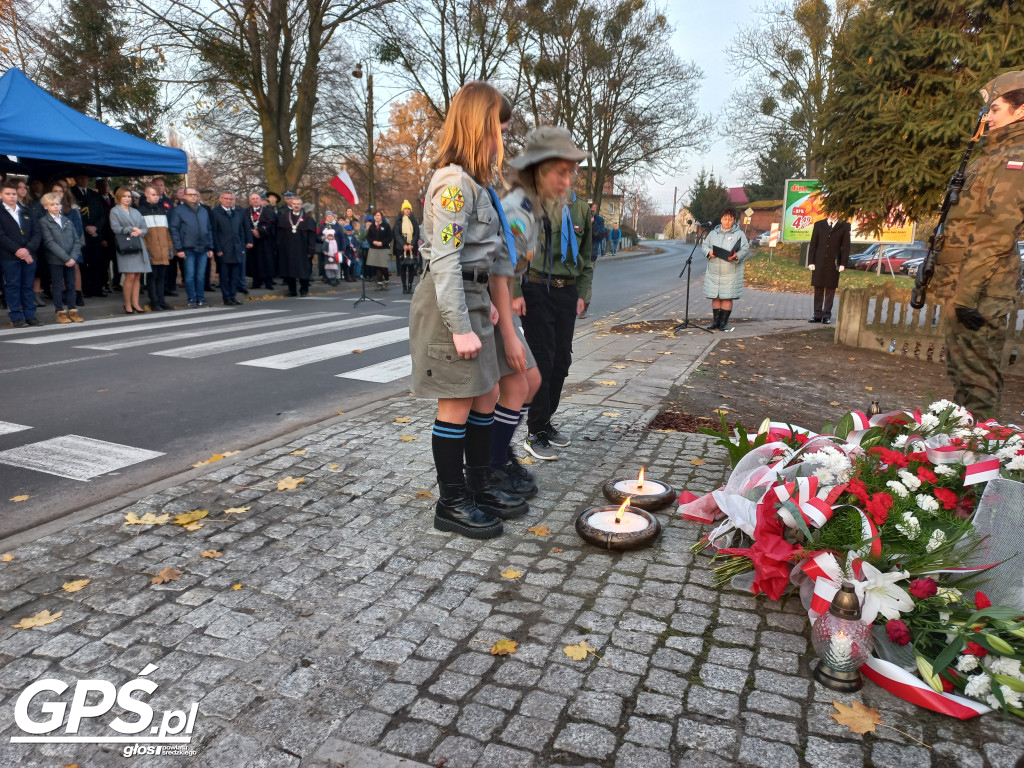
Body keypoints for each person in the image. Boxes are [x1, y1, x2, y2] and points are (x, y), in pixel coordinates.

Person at [410, 81, 529, 540]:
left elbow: (482, 253)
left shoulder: (475, 183)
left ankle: (478, 484)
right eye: (499, 129)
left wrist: (485, 307)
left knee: (483, 395)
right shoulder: (454, 184)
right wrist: (461, 326)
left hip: (472, 297)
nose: (502, 140)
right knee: (457, 403)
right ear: (482, 126)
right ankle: (452, 502)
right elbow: (443, 259)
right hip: (449, 303)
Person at [491, 128, 586, 493]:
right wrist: (509, 332)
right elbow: (498, 273)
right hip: (475, 303)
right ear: (535, 171)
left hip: (489, 301)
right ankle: (487, 468)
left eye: (570, 172)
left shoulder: (536, 206)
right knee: (506, 386)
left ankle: (496, 460)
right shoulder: (520, 209)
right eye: (558, 172)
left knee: (523, 382)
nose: (567, 181)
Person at [931, 70, 1024, 417]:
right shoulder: (989, 158)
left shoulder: (1016, 160)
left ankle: (981, 462)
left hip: (980, 291)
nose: (988, 117)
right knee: (963, 377)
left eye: (996, 108)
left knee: (978, 384)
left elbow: (994, 233)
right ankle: (963, 452)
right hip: (964, 286)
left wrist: (967, 296)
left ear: (1021, 110)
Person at [517, 141, 593, 461]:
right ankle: (534, 430)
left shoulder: (582, 209)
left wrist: (584, 292)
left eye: (569, 170)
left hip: (567, 291)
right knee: (543, 361)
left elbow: (587, 255)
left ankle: (546, 421)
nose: (565, 176)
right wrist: (514, 292)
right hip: (535, 289)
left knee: (562, 361)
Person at [0, 180, 42, 327]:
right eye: (7, 194)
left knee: (27, 286)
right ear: (1, 195)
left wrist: (28, 250)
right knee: (13, 286)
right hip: (9, 256)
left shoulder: (27, 211)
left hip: (29, 256)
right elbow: (1, 236)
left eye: (13, 194)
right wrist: (18, 250)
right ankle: (16, 316)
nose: (11, 196)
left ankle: (30, 315)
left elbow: (37, 233)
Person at [702, 206, 750, 331]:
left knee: (727, 296)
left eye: (730, 219)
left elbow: (745, 248)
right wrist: (709, 252)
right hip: (714, 271)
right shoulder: (713, 233)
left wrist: (736, 255)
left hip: (731, 272)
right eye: (725, 219)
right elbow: (704, 245)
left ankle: (724, 323)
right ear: (721, 219)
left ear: (734, 220)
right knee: (716, 296)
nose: (727, 222)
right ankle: (715, 322)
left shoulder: (739, 234)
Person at [38, 192, 83, 323]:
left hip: (71, 259)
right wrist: (66, 258)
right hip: (56, 260)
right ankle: (60, 312)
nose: (56, 207)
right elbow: (49, 242)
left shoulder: (67, 221)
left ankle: (72, 311)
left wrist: (73, 258)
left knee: (71, 285)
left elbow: (76, 240)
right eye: (52, 204)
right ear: (46, 206)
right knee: (58, 286)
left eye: (57, 204)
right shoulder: (44, 221)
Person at [168, 187, 214, 308]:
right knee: (189, 275)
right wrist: (179, 248)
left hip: (203, 248)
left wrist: (210, 247)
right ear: (185, 196)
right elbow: (174, 229)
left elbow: (208, 229)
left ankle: (201, 297)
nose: (193, 197)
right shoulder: (179, 210)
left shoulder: (203, 210)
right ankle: (191, 298)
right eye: (190, 195)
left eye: (195, 195)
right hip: (188, 248)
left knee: (201, 275)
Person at [108, 187, 151, 314]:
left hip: (138, 244)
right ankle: (127, 304)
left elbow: (144, 227)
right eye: (124, 196)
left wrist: (141, 231)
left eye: (129, 196)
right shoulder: (115, 211)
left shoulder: (135, 211)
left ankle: (136, 303)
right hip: (126, 245)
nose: (127, 199)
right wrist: (131, 229)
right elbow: (115, 228)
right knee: (130, 275)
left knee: (137, 275)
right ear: (119, 197)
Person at [210, 191, 253, 305]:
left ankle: (233, 296)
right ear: (221, 199)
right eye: (226, 198)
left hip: (237, 248)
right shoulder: (216, 212)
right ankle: (226, 297)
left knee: (235, 276)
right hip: (224, 249)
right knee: (225, 276)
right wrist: (217, 249)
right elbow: (214, 232)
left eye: (231, 199)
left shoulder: (236, 213)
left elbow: (241, 231)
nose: (228, 201)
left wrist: (242, 246)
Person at [807, 213, 850, 324]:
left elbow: (845, 247)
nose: (833, 213)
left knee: (830, 289)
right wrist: (811, 261)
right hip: (819, 261)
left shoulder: (844, 226)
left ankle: (826, 315)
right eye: (831, 210)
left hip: (834, 262)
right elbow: (813, 245)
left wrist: (843, 264)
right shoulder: (819, 225)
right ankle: (817, 315)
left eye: (835, 211)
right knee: (818, 288)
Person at [139, 184, 174, 311]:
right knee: (152, 276)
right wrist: (146, 250)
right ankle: (154, 301)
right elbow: (142, 235)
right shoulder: (141, 211)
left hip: (163, 249)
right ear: (146, 194)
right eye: (153, 195)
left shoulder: (161, 210)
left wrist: (170, 248)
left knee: (161, 276)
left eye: (158, 195)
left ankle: (161, 300)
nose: (156, 198)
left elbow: (167, 232)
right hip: (151, 249)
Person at [51, 180, 85, 308]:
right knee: (61, 270)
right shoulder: (46, 210)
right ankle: (64, 295)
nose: (58, 193)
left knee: (75, 267)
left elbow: (77, 228)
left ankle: (78, 294)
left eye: (61, 191)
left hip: (72, 246)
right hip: (56, 247)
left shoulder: (72, 208)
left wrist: (72, 245)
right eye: (55, 191)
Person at [276, 195, 316, 296]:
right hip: (288, 249)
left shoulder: (308, 219)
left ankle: (304, 290)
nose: (296, 206)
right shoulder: (284, 217)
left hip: (303, 249)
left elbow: (311, 236)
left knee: (303, 271)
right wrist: (279, 247)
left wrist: (311, 249)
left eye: (298, 204)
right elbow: (280, 235)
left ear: (301, 205)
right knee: (290, 271)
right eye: (294, 204)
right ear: (291, 204)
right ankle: (292, 291)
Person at [248, 192, 277, 289]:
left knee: (267, 260)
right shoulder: (246, 212)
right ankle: (256, 282)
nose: (255, 200)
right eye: (253, 199)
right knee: (254, 261)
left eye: (257, 198)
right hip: (252, 240)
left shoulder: (268, 212)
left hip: (265, 240)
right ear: (250, 201)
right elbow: (244, 224)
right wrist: (252, 231)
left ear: (260, 200)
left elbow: (272, 225)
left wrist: (260, 231)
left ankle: (268, 282)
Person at [393, 200, 421, 294]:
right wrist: (404, 245)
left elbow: (417, 233)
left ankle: (410, 286)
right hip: (402, 247)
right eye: (405, 209)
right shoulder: (398, 221)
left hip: (412, 246)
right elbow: (397, 234)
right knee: (403, 267)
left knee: (411, 267)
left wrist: (412, 245)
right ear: (402, 210)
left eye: (408, 209)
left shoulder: (414, 220)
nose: (407, 210)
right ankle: (404, 287)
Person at [366, 210, 393, 289]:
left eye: (378, 215)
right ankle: (379, 283)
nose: (377, 217)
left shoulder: (386, 225)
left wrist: (382, 242)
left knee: (383, 267)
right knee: (377, 266)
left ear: (381, 216)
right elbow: (368, 237)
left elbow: (390, 236)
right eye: (375, 216)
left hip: (383, 248)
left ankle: (387, 280)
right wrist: (373, 242)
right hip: (374, 248)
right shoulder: (372, 226)